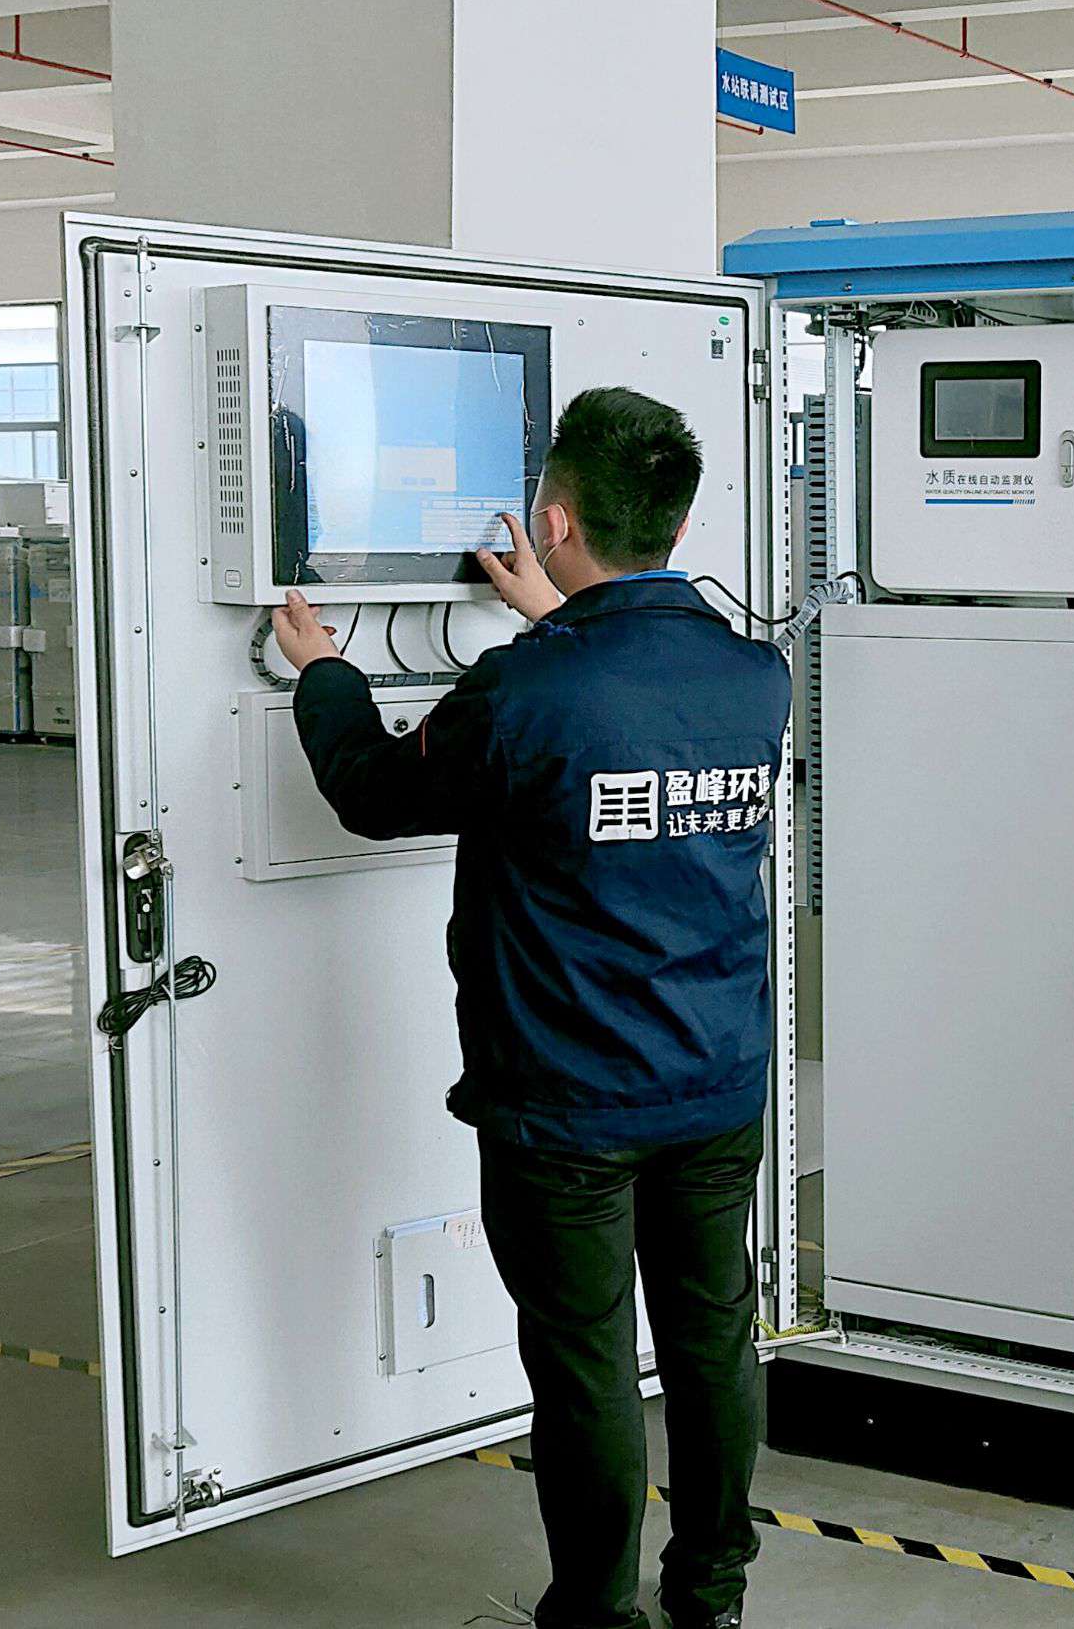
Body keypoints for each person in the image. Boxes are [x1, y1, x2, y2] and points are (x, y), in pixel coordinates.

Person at [271, 386, 791, 1629]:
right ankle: (710, 1591)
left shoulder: (524, 692)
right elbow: (628, 716)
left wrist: (324, 670)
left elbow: (372, 792)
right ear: (674, 523)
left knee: (585, 1362)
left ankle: (596, 1615)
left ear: (552, 520)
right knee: (712, 1338)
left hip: (568, 1105)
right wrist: (558, 618)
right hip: (717, 1078)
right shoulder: (752, 675)